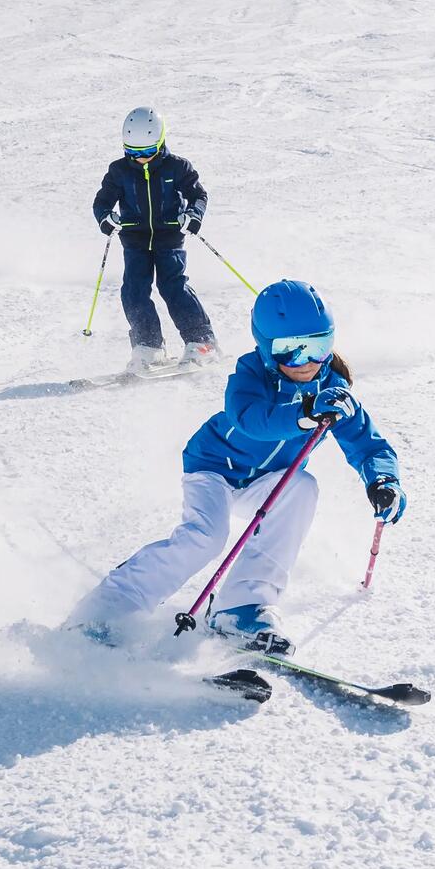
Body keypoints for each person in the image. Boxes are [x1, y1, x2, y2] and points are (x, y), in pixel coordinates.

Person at [67, 280, 404, 655]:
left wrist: (383, 481)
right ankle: (112, 604)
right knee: (206, 537)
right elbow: (251, 420)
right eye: (291, 351)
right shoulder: (250, 375)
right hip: (214, 469)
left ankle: (241, 607)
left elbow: (369, 444)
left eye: (318, 346)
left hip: (267, 481)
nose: (308, 361)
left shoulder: (333, 393)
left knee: (302, 488)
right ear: (266, 347)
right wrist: (304, 414)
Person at [91, 107, 219, 372]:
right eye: (133, 153)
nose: (141, 159)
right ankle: (149, 345)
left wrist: (193, 215)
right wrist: (105, 218)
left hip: (169, 237)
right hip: (135, 240)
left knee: (172, 286)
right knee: (133, 290)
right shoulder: (119, 171)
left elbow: (198, 196)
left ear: (160, 143)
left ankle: (201, 342)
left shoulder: (177, 167)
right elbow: (102, 202)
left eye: (149, 151)